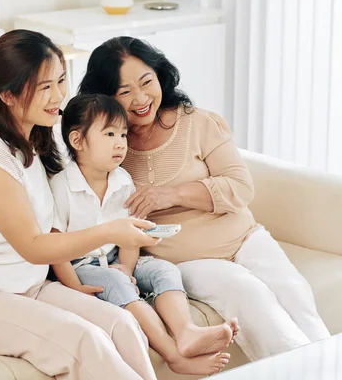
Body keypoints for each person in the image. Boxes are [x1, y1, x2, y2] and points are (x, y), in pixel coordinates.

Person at [78, 35, 330, 362]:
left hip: (244, 238)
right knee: (248, 293)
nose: (140, 98)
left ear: (160, 77)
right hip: (187, 261)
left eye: (146, 82)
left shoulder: (198, 122)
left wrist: (170, 195)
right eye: (124, 91)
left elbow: (241, 186)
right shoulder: (109, 146)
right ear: (106, 98)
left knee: (293, 292)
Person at [0, 29, 164, 380]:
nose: (59, 95)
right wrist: (109, 231)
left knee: (120, 322)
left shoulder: (36, 143)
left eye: (61, 81)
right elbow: (33, 245)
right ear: (9, 95)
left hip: (28, 286)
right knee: (84, 340)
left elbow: (53, 227)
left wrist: (73, 284)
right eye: (45, 86)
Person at [51, 93, 236, 377]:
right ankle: (172, 354)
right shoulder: (61, 186)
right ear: (77, 141)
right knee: (114, 280)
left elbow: (131, 234)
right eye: (110, 133)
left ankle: (186, 332)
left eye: (123, 134)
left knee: (163, 270)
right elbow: (55, 246)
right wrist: (74, 286)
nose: (120, 143)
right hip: (79, 265)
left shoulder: (123, 181)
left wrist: (126, 267)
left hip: (115, 257)